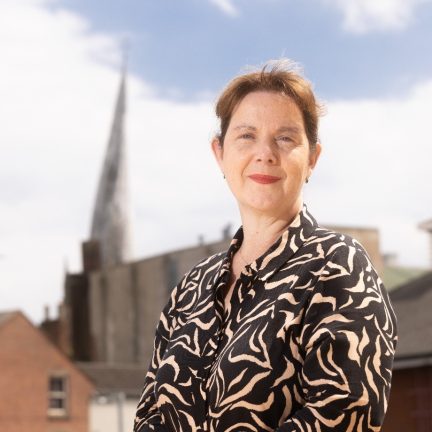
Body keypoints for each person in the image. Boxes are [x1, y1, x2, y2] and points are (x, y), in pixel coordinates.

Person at [134, 59, 397, 432]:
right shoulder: (190, 288)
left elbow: (343, 413)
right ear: (220, 153)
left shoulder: (339, 265)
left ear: (312, 158)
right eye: (246, 135)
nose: (265, 153)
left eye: (285, 138)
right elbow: (148, 414)